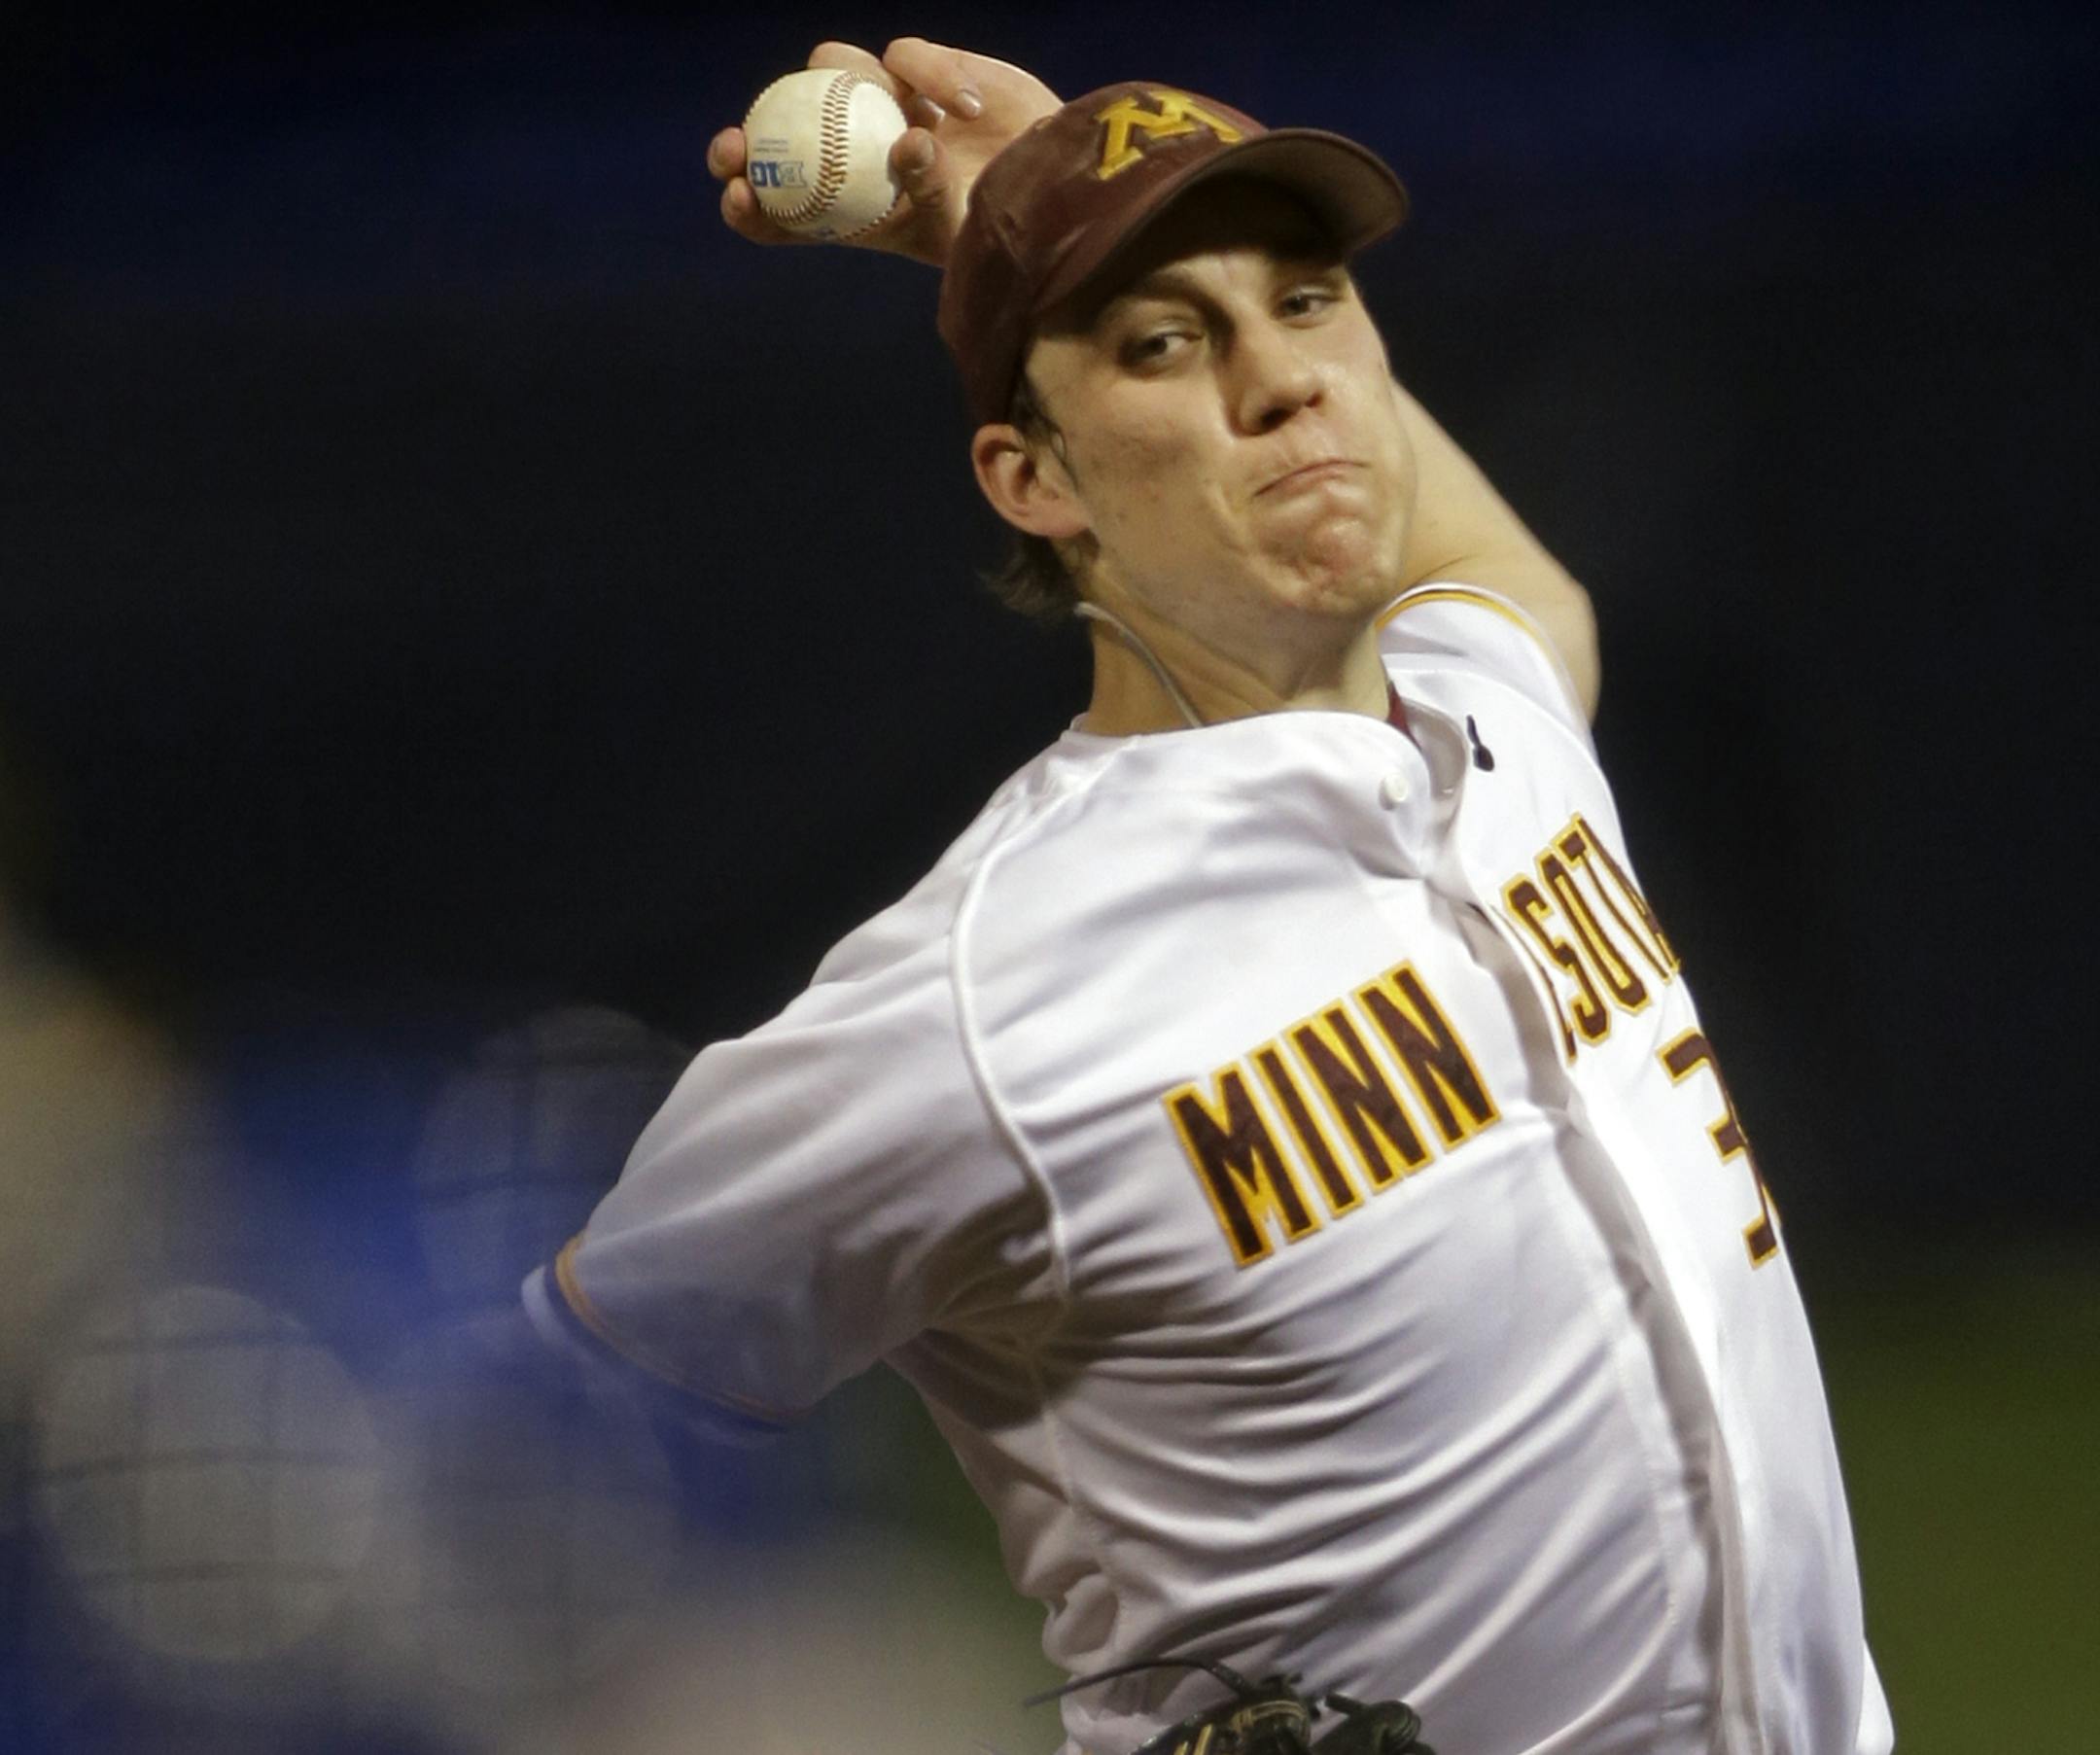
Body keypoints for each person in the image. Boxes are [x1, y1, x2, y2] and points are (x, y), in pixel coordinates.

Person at [523, 40, 1893, 1755]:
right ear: (1035, 479)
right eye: (1167, 340)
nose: (1285, 382)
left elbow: (1511, 578)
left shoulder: (1493, 708)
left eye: (1310, 301)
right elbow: (544, 1424)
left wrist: (1014, 228)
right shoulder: (972, 996)